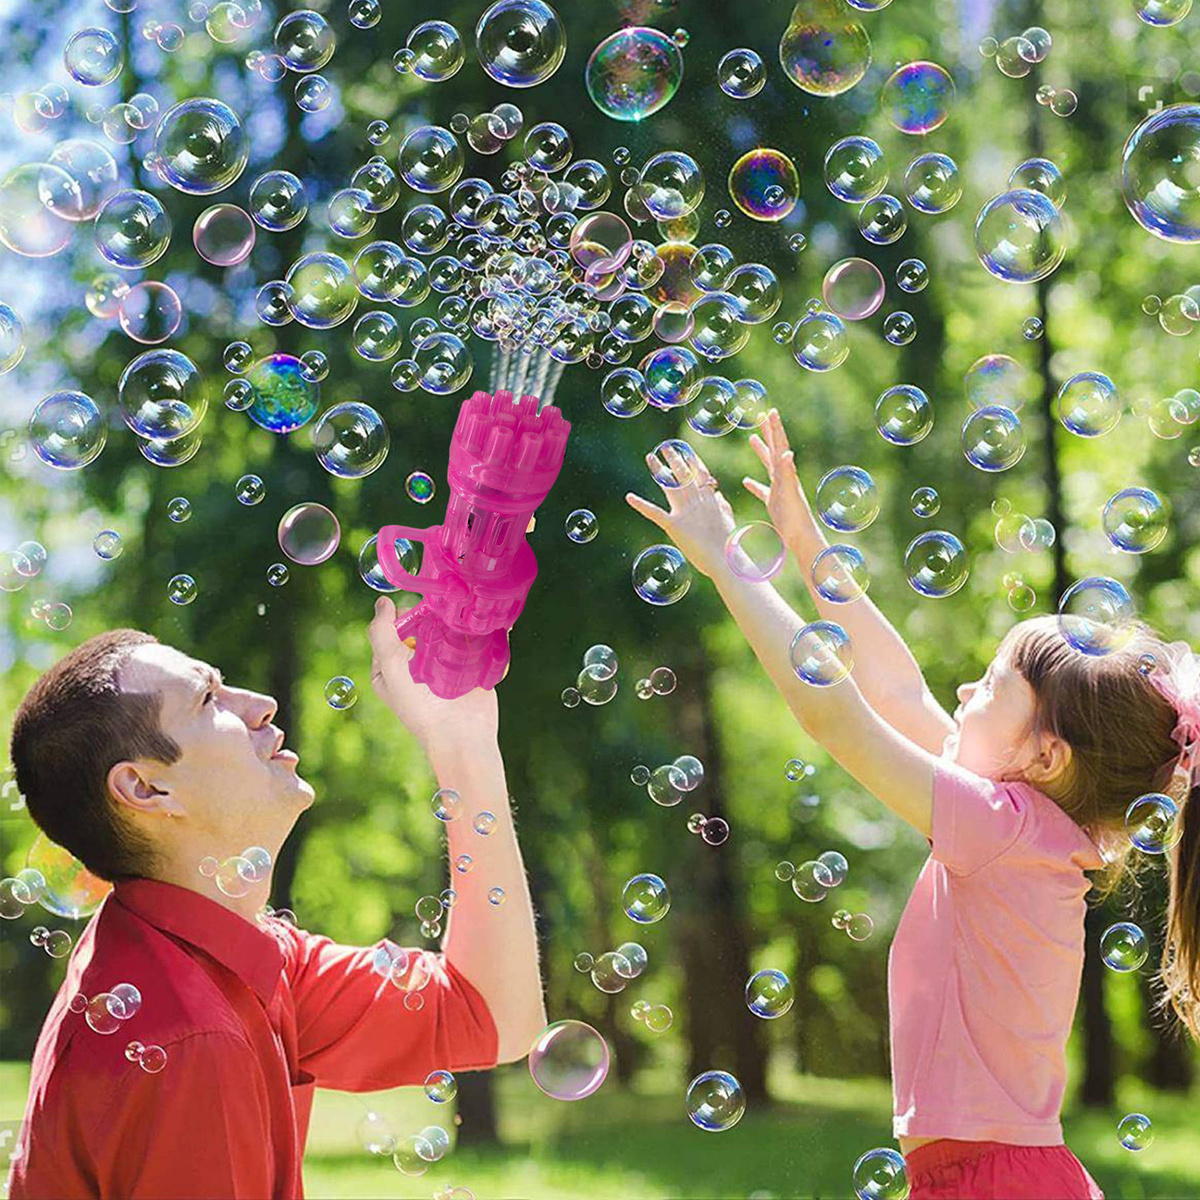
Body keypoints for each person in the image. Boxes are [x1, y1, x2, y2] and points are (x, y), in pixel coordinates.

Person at [626, 409, 1200, 1200]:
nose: (963, 691)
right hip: (999, 1176)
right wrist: (805, 545)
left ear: (1047, 755)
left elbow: (840, 713)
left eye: (992, 686)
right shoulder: (1027, 825)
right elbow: (897, 689)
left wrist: (731, 563)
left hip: (991, 1183)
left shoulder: (1002, 830)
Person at [5, 593, 547, 1199]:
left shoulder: (243, 955)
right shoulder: (184, 1041)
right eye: (209, 699)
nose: (261, 705)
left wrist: (461, 744)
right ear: (146, 788)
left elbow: (492, 1015)